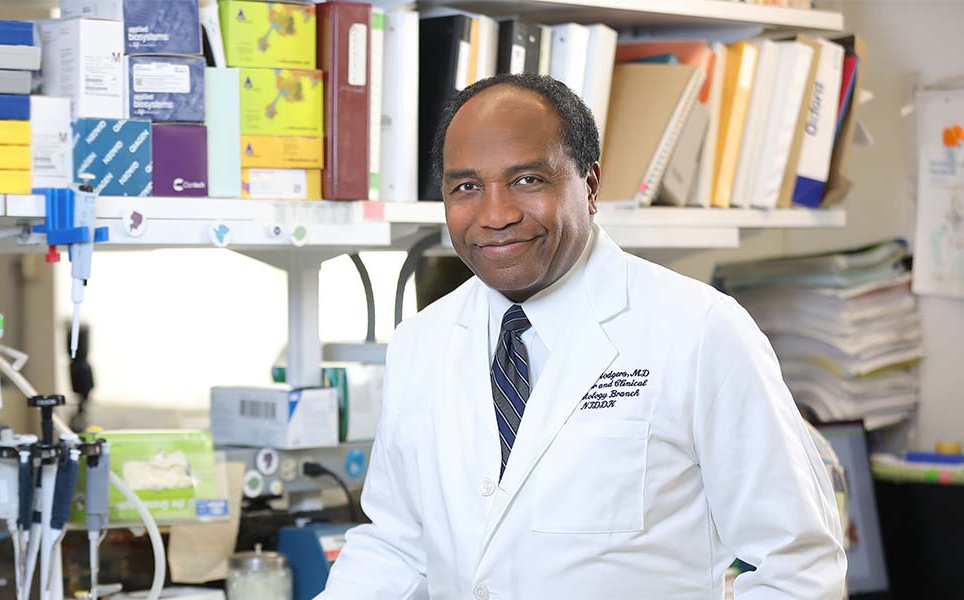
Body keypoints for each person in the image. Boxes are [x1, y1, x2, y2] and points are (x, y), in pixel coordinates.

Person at [317, 74, 847, 599]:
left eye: (528, 180)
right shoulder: (419, 343)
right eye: (467, 187)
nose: (496, 215)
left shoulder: (700, 329)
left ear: (590, 187)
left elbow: (798, 567)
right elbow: (396, 545)